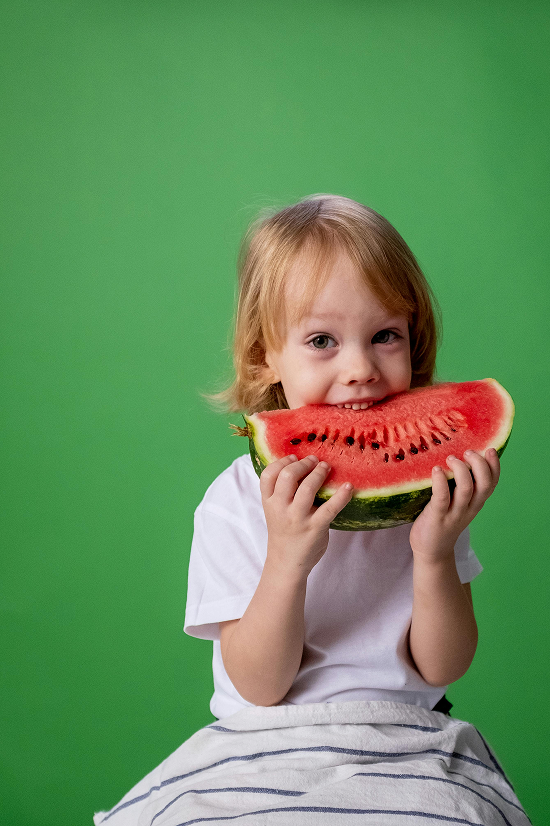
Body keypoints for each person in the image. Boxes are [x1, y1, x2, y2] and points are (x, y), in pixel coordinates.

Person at [184, 193, 499, 720]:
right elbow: (260, 687)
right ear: (266, 357)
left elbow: (443, 666)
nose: (360, 367)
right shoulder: (234, 503)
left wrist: (435, 553)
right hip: (269, 739)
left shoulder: (429, 493)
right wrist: (286, 560)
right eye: (322, 340)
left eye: (384, 336)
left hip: (408, 734)